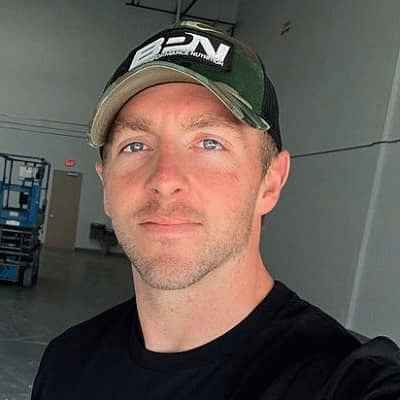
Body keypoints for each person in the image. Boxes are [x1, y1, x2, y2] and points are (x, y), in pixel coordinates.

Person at [32, 20, 400, 399]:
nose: (165, 178)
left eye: (209, 143)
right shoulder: (66, 363)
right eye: (135, 145)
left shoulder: (343, 382)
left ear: (270, 182)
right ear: (106, 185)